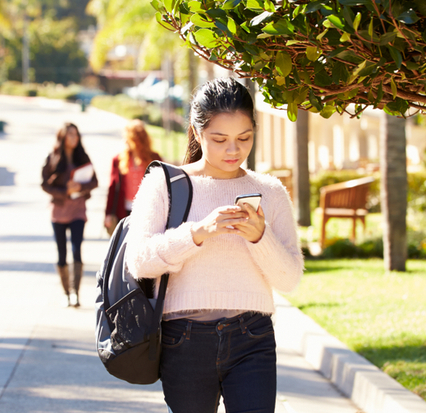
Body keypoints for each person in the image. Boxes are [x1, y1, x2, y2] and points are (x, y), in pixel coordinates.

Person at [125, 78, 303, 413]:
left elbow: (290, 279)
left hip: (253, 336)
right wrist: (199, 232)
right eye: (220, 139)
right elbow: (139, 261)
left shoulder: (271, 190)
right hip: (184, 339)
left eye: (244, 138)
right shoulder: (164, 183)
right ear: (196, 131)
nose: (233, 150)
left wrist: (258, 237)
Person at [41, 122, 98, 307]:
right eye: (70, 134)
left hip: (78, 211)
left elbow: (95, 181)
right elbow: (44, 184)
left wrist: (80, 187)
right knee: (61, 254)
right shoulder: (53, 157)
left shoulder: (83, 157)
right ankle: (66, 292)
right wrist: (64, 190)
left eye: (76, 134)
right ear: (63, 137)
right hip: (58, 212)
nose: (74, 138)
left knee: (76, 251)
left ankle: (76, 293)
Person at [104, 119, 161, 236]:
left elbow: (163, 185)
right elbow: (112, 187)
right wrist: (108, 213)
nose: (125, 140)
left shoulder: (154, 158)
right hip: (124, 210)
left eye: (128, 138)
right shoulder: (119, 159)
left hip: (148, 209)